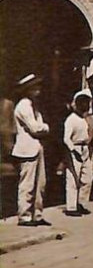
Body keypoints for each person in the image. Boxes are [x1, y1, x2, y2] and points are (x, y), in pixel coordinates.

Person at [12, 74, 51, 227]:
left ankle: (37, 214)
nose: (38, 90)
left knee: (40, 183)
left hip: (36, 146)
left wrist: (43, 128)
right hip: (27, 148)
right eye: (35, 87)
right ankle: (25, 215)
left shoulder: (34, 106)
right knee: (27, 184)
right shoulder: (23, 106)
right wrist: (45, 128)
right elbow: (35, 128)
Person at [63, 92, 93, 216]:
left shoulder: (84, 119)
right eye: (83, 103)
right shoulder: (71, 120)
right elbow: (66, 138)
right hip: (74, 149)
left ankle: (81, 203)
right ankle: (71, 207)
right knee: (73, 179)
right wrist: (73, 151)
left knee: (87, 178)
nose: (86, 106)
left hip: (84, 148)